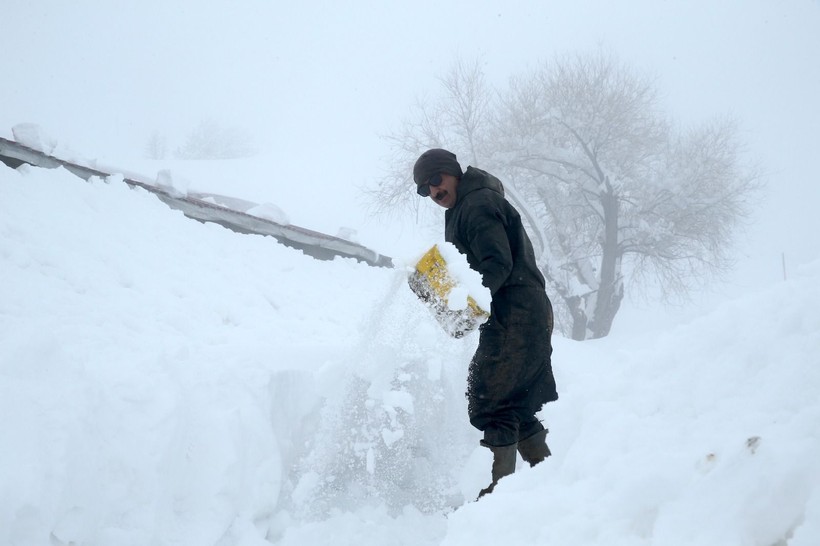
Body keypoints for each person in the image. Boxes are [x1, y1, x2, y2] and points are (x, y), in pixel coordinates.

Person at [413, 148, 558, 498]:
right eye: (423, 189)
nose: (433, 191)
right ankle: (550, 483)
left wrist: (462, 302)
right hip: (520, 312)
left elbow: (496, 264)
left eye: (435, 179)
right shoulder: (468, 204)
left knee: (488, 399)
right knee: (515, 403)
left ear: (452, 172)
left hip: (516, 313)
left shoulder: (476, 205)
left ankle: (497, 494)